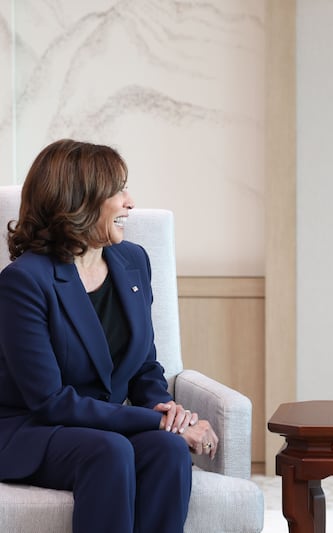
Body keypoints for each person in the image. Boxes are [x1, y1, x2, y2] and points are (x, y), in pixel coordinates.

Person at [0, 139, 219, 532]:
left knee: (168, 449)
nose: (130, 202)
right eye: (118, 190)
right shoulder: (24, 282)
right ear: (78, 199)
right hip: (32, 431)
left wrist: (167, 414)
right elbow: (49, 402)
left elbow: (145, 367)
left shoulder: (133, 261)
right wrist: (148, 422)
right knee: (109, 450)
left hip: (102, 428)